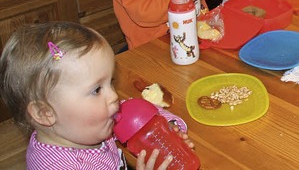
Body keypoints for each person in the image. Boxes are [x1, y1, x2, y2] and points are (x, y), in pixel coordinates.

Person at [0, 21, 194, 169]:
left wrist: (168, 128)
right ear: (44, 113)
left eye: (110, 82)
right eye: (96, 90)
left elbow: (139, 114)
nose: (114, 96)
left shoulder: (82, 125)